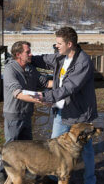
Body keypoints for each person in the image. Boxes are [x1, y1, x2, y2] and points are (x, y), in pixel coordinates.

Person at [32, 27, 98, 184]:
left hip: (80, 114)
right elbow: (45, 59)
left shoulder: (83, 62)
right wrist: (29, 58)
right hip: (62, 110)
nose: (56, 46)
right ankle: (56, 176)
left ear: (69, 44)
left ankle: (90, 180)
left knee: (86, 149)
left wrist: (46, 96)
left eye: (59, 43)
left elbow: (69, 87)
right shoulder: (61, 57)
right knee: (55, 145)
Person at [0, 41, 52, 183]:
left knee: (27, 145)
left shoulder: (31, 69)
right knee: (11, 146)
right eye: (28, 52)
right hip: (13, 114)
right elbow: (18, 93)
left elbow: (45, 83)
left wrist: (65, 83)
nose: (31, 54)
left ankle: (27, 170)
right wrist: (40, 99)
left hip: (27, 113)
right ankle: (1, 171)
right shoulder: (10, 69)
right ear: (18, 54)